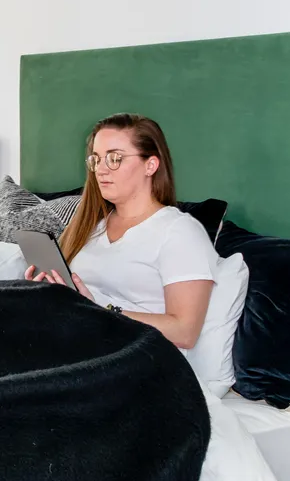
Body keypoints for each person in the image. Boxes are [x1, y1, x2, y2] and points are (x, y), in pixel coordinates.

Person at [24, 113, 216, 350]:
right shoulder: (91, 227)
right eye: (96, 159)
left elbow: (185, 332)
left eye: (115, 158)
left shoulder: (179, 232)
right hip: (74, 342)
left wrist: (98, 310)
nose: (101, 170)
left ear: (151, 165)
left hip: (137, 358)